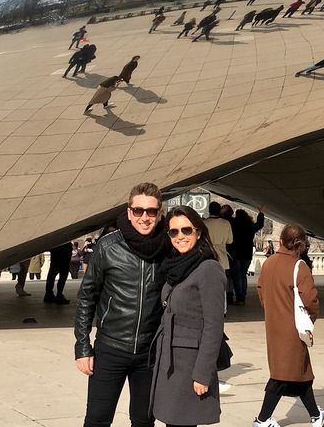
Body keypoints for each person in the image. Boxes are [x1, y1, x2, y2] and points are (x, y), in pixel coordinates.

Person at [75, 183, 170, 427]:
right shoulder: (108, 246)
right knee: (97, 419)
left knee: (144, 421)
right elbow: (87, 296)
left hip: (150, 352)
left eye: (151, 211)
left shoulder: (168, 247)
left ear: (160, 214)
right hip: (110, 348)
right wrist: (83, 346)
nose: (144, 217)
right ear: (129, 212)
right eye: (138, 210)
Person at [150, 205, 227, 427]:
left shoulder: (208, 269)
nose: (180, 236)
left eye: (186, 230)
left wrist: (202, 373)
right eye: (173, 231)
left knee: (182, 422)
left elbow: (214, 326)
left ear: (198, 232)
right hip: (170, 361)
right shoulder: (176, 265)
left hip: (190, 365)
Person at [254, 224, 324, 427]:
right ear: (301, 244)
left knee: (301, 372)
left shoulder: (269, 262)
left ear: (280, 241)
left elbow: (261, 289)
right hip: (293, 329)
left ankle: (315, 415)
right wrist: (309, 319)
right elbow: (310, 300)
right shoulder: (299, 266)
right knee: (282, 374)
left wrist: (272, 309)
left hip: (274, 325)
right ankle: (262, 419)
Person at [228, 206, 265, 305]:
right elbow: (260, 224)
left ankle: (239, 297)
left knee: (237, 276)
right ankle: (243, 297)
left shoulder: (233, 225)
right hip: (247, 254)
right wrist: (260, 213)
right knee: (243, 275)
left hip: (235, 253)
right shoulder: (250, 225)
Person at [204, 203, 233, 303]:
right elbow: (230, 240)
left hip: (207, 255)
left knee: (207, 282)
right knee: (221, 283)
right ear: (219, 210)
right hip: (222, 255)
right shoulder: (226, 223)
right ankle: (222, 306)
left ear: (209, 210)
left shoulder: (204, 223)